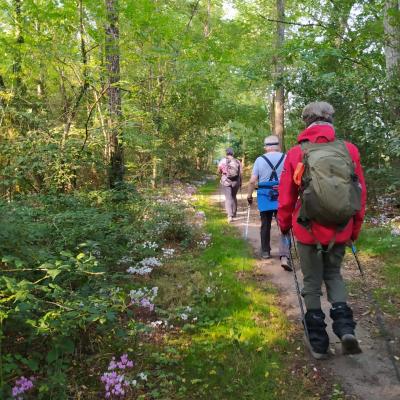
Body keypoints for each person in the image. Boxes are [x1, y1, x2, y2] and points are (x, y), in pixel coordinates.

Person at [278, 101, 367, 359]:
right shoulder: (349, 150)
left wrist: (284, 225)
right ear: (331, 120)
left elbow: (286, 196)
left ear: (306, 122)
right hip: (340, 228)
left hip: (308, 230)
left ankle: (318, 341)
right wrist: (354, 229)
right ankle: (345, 327)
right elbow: (359, 194)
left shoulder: (297, 153)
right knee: (335, 276)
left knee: (312, 281)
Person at [246, 136, 291, 270]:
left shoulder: (260, 160)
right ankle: (284, 255)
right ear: (277, 145)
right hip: (281, 194)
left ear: (267, 146)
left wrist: (249, 195)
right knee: (283, 224)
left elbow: (253, 181)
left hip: (265, 195)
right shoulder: (286, 157)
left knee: (265, 224)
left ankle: (265, 252)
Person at [218, 148, 242, 223]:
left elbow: (219, 170)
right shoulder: (237, 161)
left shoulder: (222, 160)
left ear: (226, 153)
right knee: (234, 196)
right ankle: (234, 213)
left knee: (228, 198)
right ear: (233, 153)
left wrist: (222, 173)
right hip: (236, 181)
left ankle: (230, 216)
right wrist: (240, 182)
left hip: (226, 181)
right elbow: (240, 173)